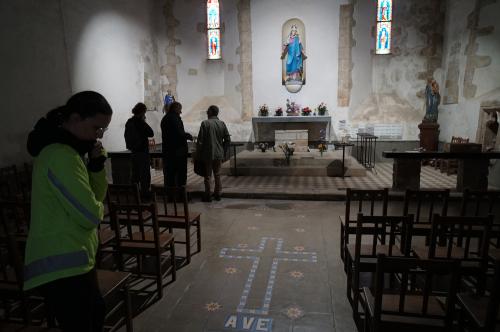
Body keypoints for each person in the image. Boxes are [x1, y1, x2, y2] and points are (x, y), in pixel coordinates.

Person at [24, 91, 113, 332]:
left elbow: (95, 198)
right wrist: (97, 209)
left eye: (102, 130)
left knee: (94, 315)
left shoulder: (72, 152)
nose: (98, 135)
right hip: (61, 264)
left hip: (75, 257)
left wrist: (96, 168)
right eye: (96, 128)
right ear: (74, 118)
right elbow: (90, 214)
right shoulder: (60, 155)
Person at [196, 105, 230, 202]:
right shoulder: (222, 123)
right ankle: (218, 194)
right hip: (219, 153)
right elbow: (227, 139)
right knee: (217, 174)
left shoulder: (205, 123)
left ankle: (208, 195)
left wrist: (198, 154)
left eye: (207, 111)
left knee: (207, 175)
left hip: (207, 154)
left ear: (210, 112)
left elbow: (200, 141)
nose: (207, 112)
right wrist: (223, 151)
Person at [161, 101, 193, 193]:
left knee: (169, 174)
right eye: (180, 109)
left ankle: (170, 195)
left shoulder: (165, 118)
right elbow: (178, 133)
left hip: (168, 151)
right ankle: (180, 195)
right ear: (175, 109)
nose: (181, 112)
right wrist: (188, 136)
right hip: (177, 151)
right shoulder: (174, 118)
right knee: (180, 174)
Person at [124, 102, 154, 198]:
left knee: (135, 175)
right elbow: (151, 133)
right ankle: (145, 195)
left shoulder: (129, 121)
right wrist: (144, 121)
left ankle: (134, 195)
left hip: (134, 152)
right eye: (144, 112)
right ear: (142, 112)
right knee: (144, 175)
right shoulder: (140, 122)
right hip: (142, 152)